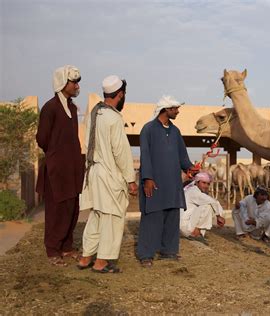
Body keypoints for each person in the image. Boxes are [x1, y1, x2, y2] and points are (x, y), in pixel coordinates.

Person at [77, 75, 138, 273]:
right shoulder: (113, 118)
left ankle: (86, 257)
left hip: (94, 172)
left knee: (97, 215)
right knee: (112, 217)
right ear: (120, 95)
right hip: (109, 173)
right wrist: (130, 179)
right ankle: (101, 262)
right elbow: (120, 152)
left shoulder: (94, 113)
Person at [137, 95, 196, 267]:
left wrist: (189, 168)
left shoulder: (176, 131)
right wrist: (147, 178)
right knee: (152, 217)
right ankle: (146, 254)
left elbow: (182, 156)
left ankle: (169, 251)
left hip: (172, 183)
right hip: (154, 182)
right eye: (175, 109)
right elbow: (145, 156)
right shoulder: (147, 129)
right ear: (166, 110)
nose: (177, 112)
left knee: (172, 215)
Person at [36, 65, 85, 266]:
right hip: (57, 169)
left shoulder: (72, 108)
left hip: (72, 168)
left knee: (71, 208)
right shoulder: (50, 107)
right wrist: (57, 156)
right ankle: (52, 250)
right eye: (73, 82)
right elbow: (42, 138)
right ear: (62, 83)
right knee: (57, 210)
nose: (76, 86)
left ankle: (66, 247)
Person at [180, 172, 225, 244]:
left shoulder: (194, 190)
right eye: (203, 183)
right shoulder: (193, 191)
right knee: (208, 205)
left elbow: (215, 202)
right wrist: (219, 216)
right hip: (186, 227)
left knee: (212, 205)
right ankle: (196, 232)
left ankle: (197, 232)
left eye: (208, 184)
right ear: (197, 182)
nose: (206, 186)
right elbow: (212, 202)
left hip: (186, 224)